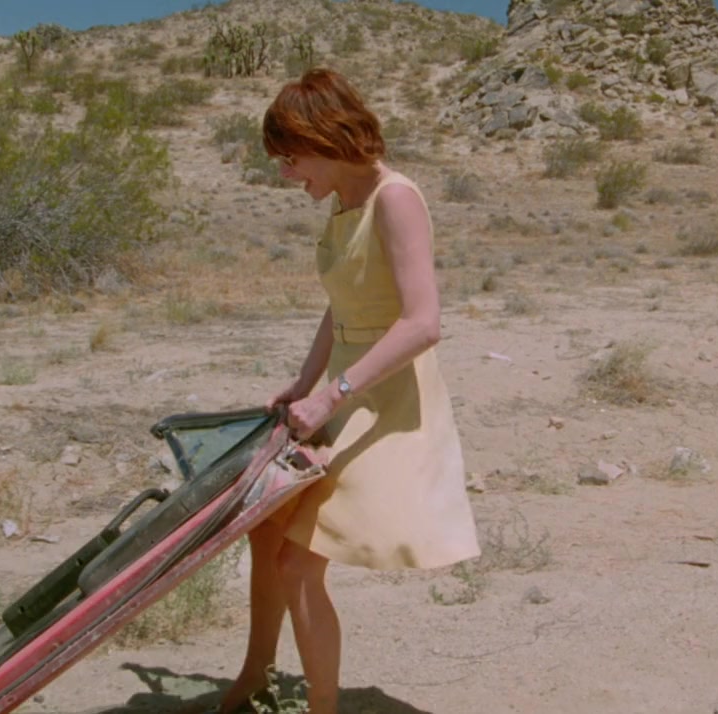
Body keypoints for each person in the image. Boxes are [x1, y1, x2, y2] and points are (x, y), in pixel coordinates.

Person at [207, 68, 481, 713]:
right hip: (344, 387)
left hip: (390, 402)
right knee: (266, 529)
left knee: (298, 564)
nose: (285, 174)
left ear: (323, 140)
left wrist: (332, 395)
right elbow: (344, 305)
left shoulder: (395, 198)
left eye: (289, 158)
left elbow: (423, 323)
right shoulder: (344, 199)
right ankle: (254, 676)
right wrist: (305, 381)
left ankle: (322, 707)